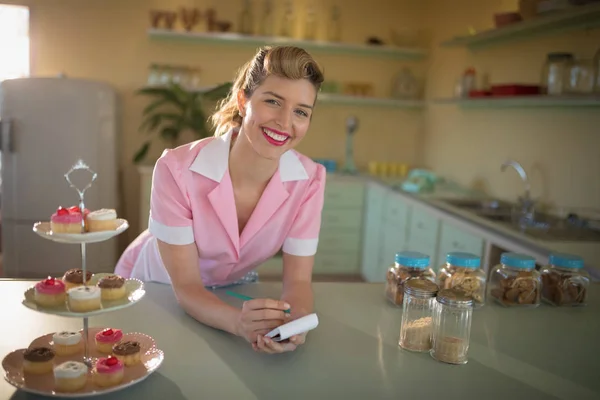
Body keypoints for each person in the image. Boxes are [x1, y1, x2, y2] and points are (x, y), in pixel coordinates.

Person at [115, 46, 326, 354]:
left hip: (231, 294)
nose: (284, 121)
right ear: (243, 101)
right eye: (272, 101)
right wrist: (239, 324)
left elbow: (298, 282)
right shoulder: (175, 170)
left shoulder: (309, 180)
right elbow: (186, 288)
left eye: (301, 112)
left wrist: (295, 324)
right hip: (159, 290)